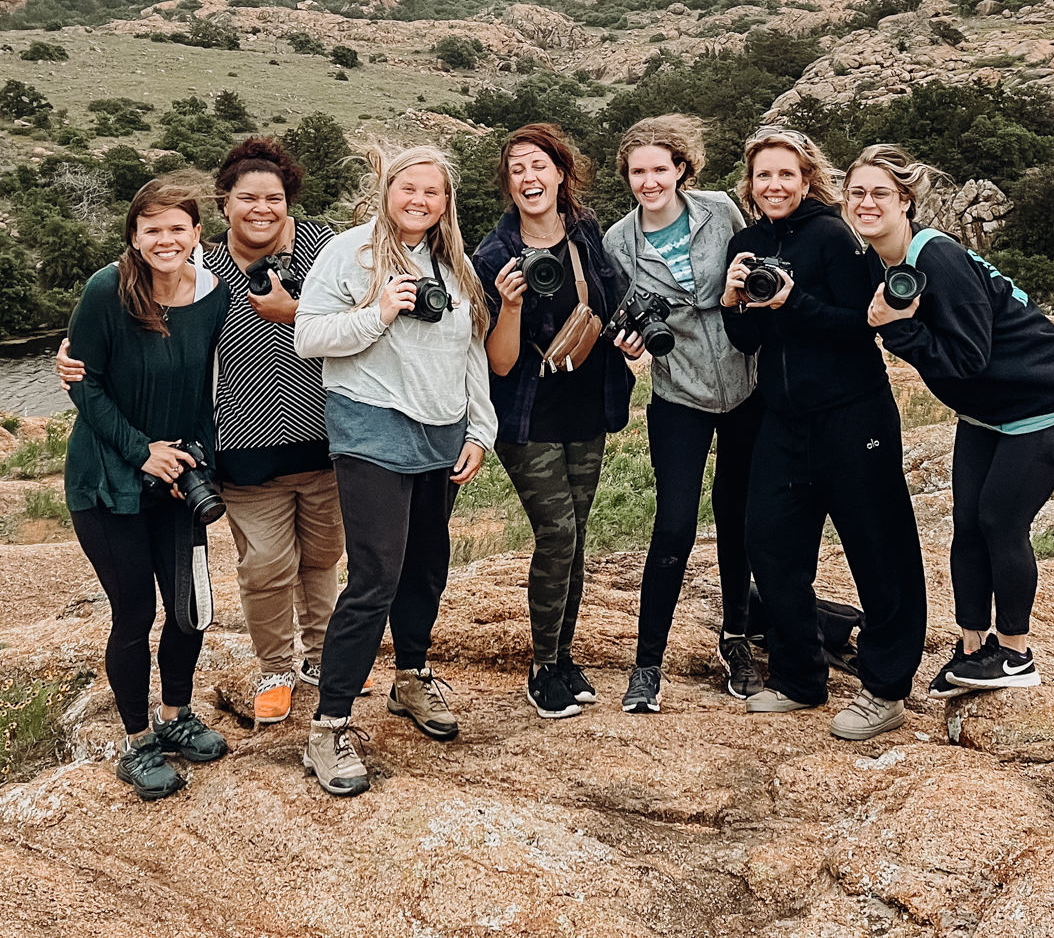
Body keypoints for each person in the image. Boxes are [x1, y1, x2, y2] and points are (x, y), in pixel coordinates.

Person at [57, 138, 363, 726]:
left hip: (325, 438)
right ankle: (275, 666)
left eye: (273, 197)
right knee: (267, 565)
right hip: (242, 446)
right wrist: (74, 360)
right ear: (223, 207)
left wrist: (293, 313)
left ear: (288, 202)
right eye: (247, 198)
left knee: (323, 558)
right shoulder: (207, 268)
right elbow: (128, 337)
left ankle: (323, 660)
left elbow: (368, 318)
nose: (261, 208)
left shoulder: (326, 252)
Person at [843, 143, 1054, 695]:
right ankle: (971, 649)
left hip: (1044, 399)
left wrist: (896, 328)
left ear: (906, 201)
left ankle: (1015, 654)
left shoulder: (934, 258)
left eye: (880, 193)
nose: (867, 203)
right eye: (857, 193)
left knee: (1000, 522)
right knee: (967, 525)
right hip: (989, 410)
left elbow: (968, 359)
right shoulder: (878, 256)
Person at [293, 143, 496, 796]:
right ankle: (328, 727)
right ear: (386, 190)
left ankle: (411, 678)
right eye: (409, 187)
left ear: (446, 202)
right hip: (371, 430)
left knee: (426, 567)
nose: (419, 200)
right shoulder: (349, 252)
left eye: (433, 192)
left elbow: (470, 354)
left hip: (441, 436)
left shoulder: (455, 263)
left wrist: (480, 431)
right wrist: (378, 312)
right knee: (376, 575)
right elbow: (309, 337)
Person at [720, 129, 927, 741]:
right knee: (772, 546)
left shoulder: (834, 235)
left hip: (851, 415)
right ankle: (799, 678)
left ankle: (886, 689)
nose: (774, 186)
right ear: (750, 184)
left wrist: (794, 302)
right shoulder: (747, 243)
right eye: (763, 176)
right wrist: (735, 302)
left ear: (807, 179)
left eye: (786, 175)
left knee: (878, 550)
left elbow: (859, 326)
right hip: (782, 421)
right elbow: (745, 343)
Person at [63, 180, 231, 801]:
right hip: (110, 480)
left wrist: (195, 458)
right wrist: (143, 451)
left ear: (196, 235)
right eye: (152, 229)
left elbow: (212, 380)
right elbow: (85, 384)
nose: (166, 240)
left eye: (177, 228)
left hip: (177, 478)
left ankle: (177, 715)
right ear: (134, 236)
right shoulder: (107, 292)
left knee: (189, 610)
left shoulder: (212, 294)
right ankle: (137, 741)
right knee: (135, 613)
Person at [601, 115, 762, 713]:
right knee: (673, 524)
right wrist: (632, 339)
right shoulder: (620, 241)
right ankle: (648, 664)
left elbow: (751, 270)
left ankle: (737, 640)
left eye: (659, 169)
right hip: (679, 392)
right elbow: (625, 312)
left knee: (737, 516)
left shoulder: (721, 210)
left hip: (748, 383)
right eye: (638, 172)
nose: (649, 181)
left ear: (681, 169)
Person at [473, 123, 632, 720]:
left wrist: (630, 335)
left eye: (538, 165)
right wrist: (509, 304)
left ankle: (564, 657)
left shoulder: (586, 230)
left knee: (578, 534)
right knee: (558, 533)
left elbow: (610, 302)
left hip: (588, 404)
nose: (528, 177)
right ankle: (542, 667)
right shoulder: (493, 255)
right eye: (516, 169)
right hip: (528, 414)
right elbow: (500, 361)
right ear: (509, 185)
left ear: (561, 173)